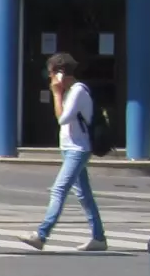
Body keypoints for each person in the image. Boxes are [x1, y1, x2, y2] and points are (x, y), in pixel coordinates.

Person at [21, 52, 107, 252]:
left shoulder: (77, 91)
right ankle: (99, 238)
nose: (49, 78)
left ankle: (41, 235)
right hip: (69, 149)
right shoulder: (70, 91)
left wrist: (56, 93)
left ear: (60, 73)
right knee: (84, 195)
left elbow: (62, 118)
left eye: (50, 73)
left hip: (78, 150)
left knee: (59, 190)